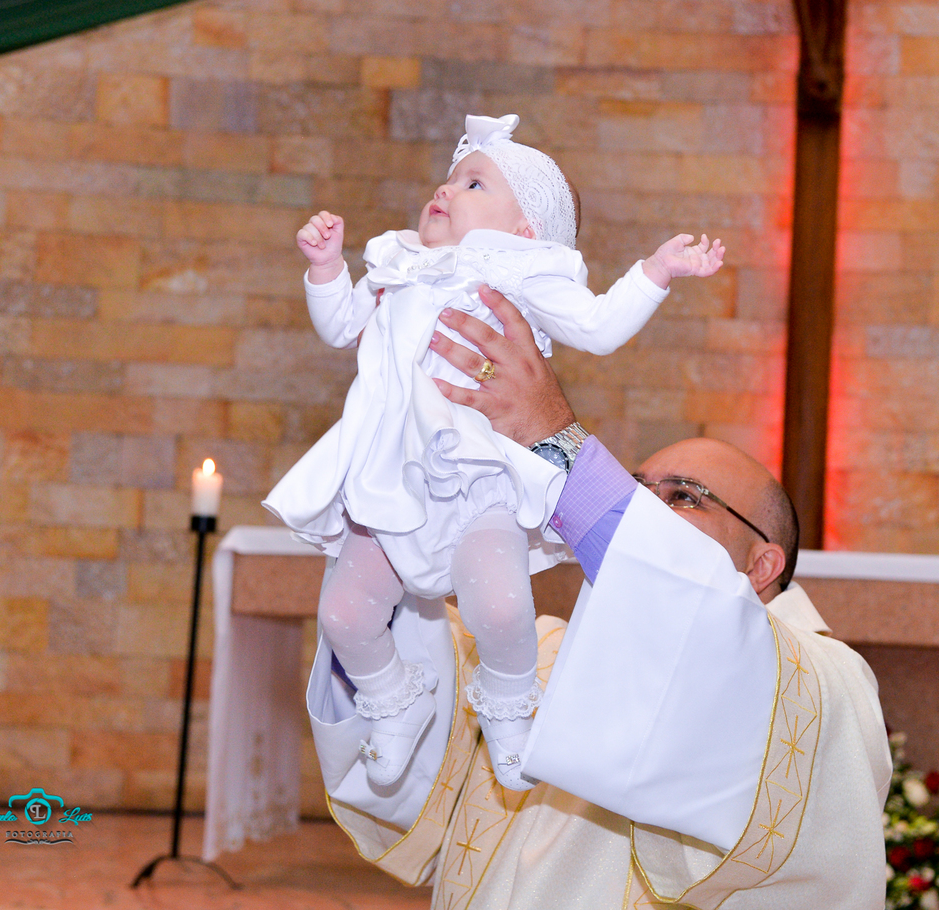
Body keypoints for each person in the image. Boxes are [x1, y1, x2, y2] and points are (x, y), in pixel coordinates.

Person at [301, 287, 892, 908]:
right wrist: (396, 480)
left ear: (762, 563)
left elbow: (705, 642)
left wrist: (555, 443)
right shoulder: (541, 653)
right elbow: (414, 768)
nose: (647, 511)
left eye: (684, 496)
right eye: (637, 488)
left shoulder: (827, 680)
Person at [265, 113, 724, 790]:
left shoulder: (522, 272)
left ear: (524, 231)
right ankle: (392, 699)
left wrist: (655, 271)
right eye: (449, 179)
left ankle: (510, 712)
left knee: (503, 609)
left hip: (477, 478)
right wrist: (326, 269)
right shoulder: (398, 263)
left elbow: (598, 327)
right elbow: (340, 327)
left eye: (474, 183)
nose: (446, 190)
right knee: (342, 614)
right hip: (388, 481)